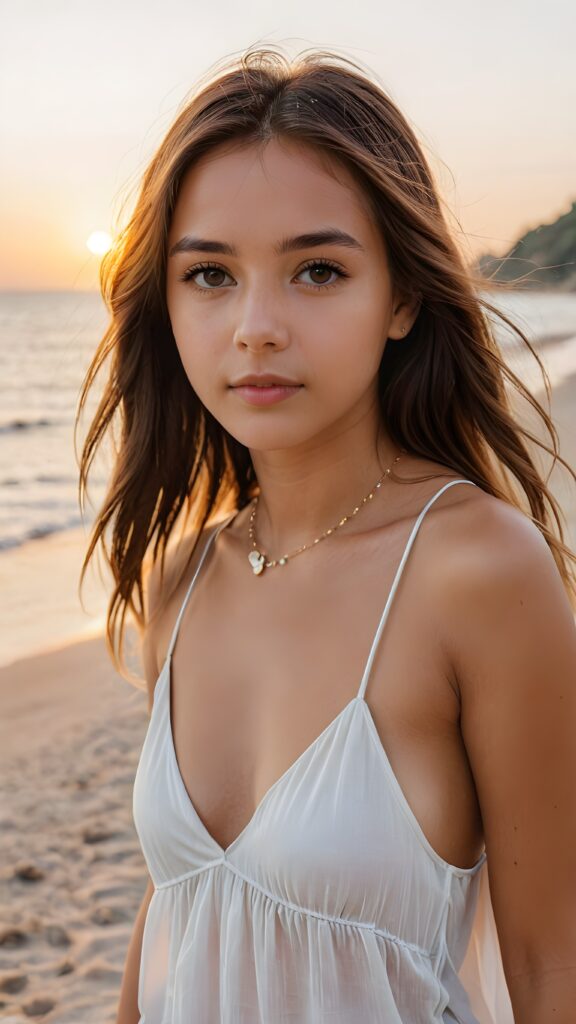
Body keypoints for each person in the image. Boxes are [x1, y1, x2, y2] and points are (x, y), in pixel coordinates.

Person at [77, 46, 576, 1024]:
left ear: (400, 298)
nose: (256, 326)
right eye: (210, 275)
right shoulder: (187, 576)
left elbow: (553, 959)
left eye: (316, 269)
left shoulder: (478, 571)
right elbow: (178, 908)